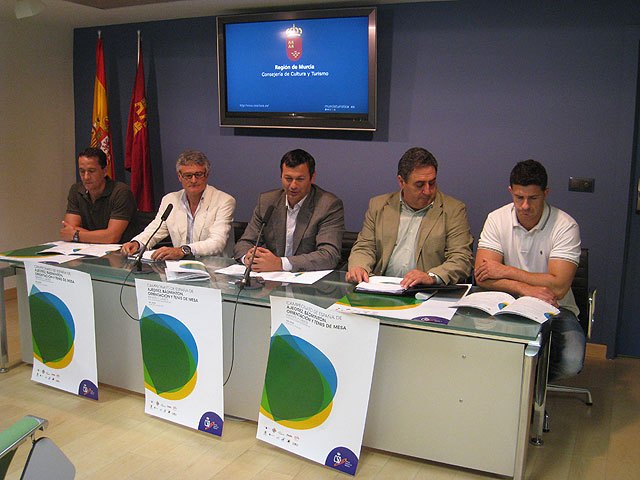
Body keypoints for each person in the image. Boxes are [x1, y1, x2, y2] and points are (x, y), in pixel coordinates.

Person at [475, 159, 585, 381]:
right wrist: (525, 288)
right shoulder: (497, 219)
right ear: (510, 192)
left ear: (546, 193)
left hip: (556, 307)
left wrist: (505, 271)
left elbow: (559, 287)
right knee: (475, 349)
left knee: (571, 362)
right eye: (519, 197)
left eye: (533, 198)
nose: (525, 206)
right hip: (505, 302)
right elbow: (482, 276)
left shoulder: (565, 226)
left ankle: (531, 391)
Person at [347, 147, 473, 287]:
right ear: (401, 182)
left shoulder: (453, 210)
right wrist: (359, 267)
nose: (427, 191)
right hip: (382, 287)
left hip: (425, 292)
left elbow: (461, 259)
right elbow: (365, 247)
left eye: (432, 183)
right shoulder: (378, 206)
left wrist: (431, 277)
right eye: (419, 185)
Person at [234, 149, 344, 272]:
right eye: (288, 178)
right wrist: (248, 258)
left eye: (300, 179)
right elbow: (243, 244)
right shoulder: (267, 201)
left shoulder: (328, 205)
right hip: (271, 279)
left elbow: (329, 255)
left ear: (312, 178)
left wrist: (281, 263)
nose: (293, 186)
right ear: (281, 176)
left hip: (308, 284)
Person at [121, 150, 235, 261]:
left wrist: (183, 250)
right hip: (179, 268)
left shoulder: (224, 201)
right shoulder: (170, 200)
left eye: (198, 174)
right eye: (188, 176)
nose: (194, 180)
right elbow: (154, 230)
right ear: (179, 176)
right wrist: (137, 243)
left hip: (214, 270)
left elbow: (217, 242)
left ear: (207, 175)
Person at [61, 147, 137, 244]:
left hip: (120, 252)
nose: (86, 177)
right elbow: (69, 229)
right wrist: (101, 236)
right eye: (82, 171)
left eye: (91, 171)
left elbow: (112, 237)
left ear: (105, 171)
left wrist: (76, 235)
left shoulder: (121, 192)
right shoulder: (76, 190)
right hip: (86, 250)